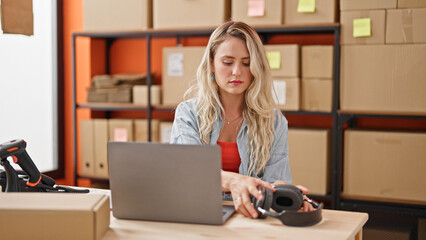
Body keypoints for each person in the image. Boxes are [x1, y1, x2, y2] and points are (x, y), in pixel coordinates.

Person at [170, 21, 314, 218]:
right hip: (196, 213)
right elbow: (188, 170)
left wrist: (291, 195)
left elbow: (275, 179)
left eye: (246, 63)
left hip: (249, 218)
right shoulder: (188, 113)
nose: (237, 71)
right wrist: (234, 181)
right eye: (227, 62)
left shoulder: (274, 121)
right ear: (212, 63)